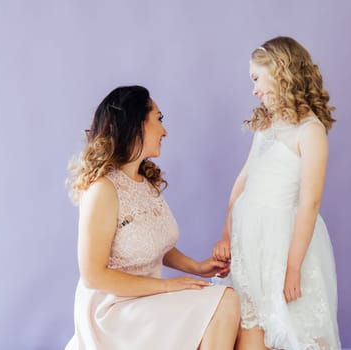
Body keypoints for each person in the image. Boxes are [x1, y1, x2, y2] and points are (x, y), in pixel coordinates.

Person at [66, 85, 240, 350]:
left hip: (147, 302)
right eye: (159, 119)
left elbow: (152, 244)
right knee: (224, 300)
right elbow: (94, 276)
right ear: (136, 124)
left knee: (224, 302)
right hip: (112, 311)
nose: (165, 131)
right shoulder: (103, 189)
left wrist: (196, 267)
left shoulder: (144, 182)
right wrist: (170, 287)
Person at [212, 37, 341, 350]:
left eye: (256, 79)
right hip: (249, 242)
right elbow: (243, 180)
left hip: (284, 245)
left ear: (280, 72)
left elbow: (310, 202)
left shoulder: (310, 131)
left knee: (296, 325)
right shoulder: (267, 125)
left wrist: (293, 267)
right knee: (252, 325)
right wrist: (226, 235)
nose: (254, 90)